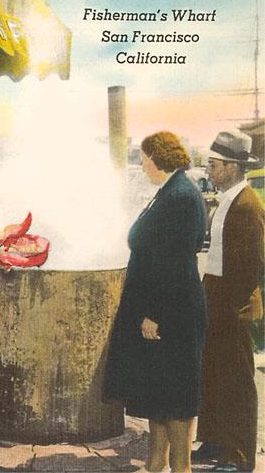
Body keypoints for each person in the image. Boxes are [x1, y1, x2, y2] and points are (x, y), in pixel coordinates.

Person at [103, 131, 207, 473]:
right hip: (169, 308)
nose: (142, 164)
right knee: (159, 391)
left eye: (143, 157)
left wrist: (153, 314)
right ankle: (156, 462)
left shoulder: (180, 196)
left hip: (172, 312)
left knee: (175, 395)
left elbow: (174, 263)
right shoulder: (171, 191)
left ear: (156, 157)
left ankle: (180, 467)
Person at [195, 130, 264, 472]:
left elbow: (254, 265)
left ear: (232, 167)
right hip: (218, 302)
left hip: (233, 309)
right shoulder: (227, 199)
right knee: (214, 375)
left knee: (237, 383)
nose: (209, 170)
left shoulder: (248, 205)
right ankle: (214, 441)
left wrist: (230, 307)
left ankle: (239, 456)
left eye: (214, 164)